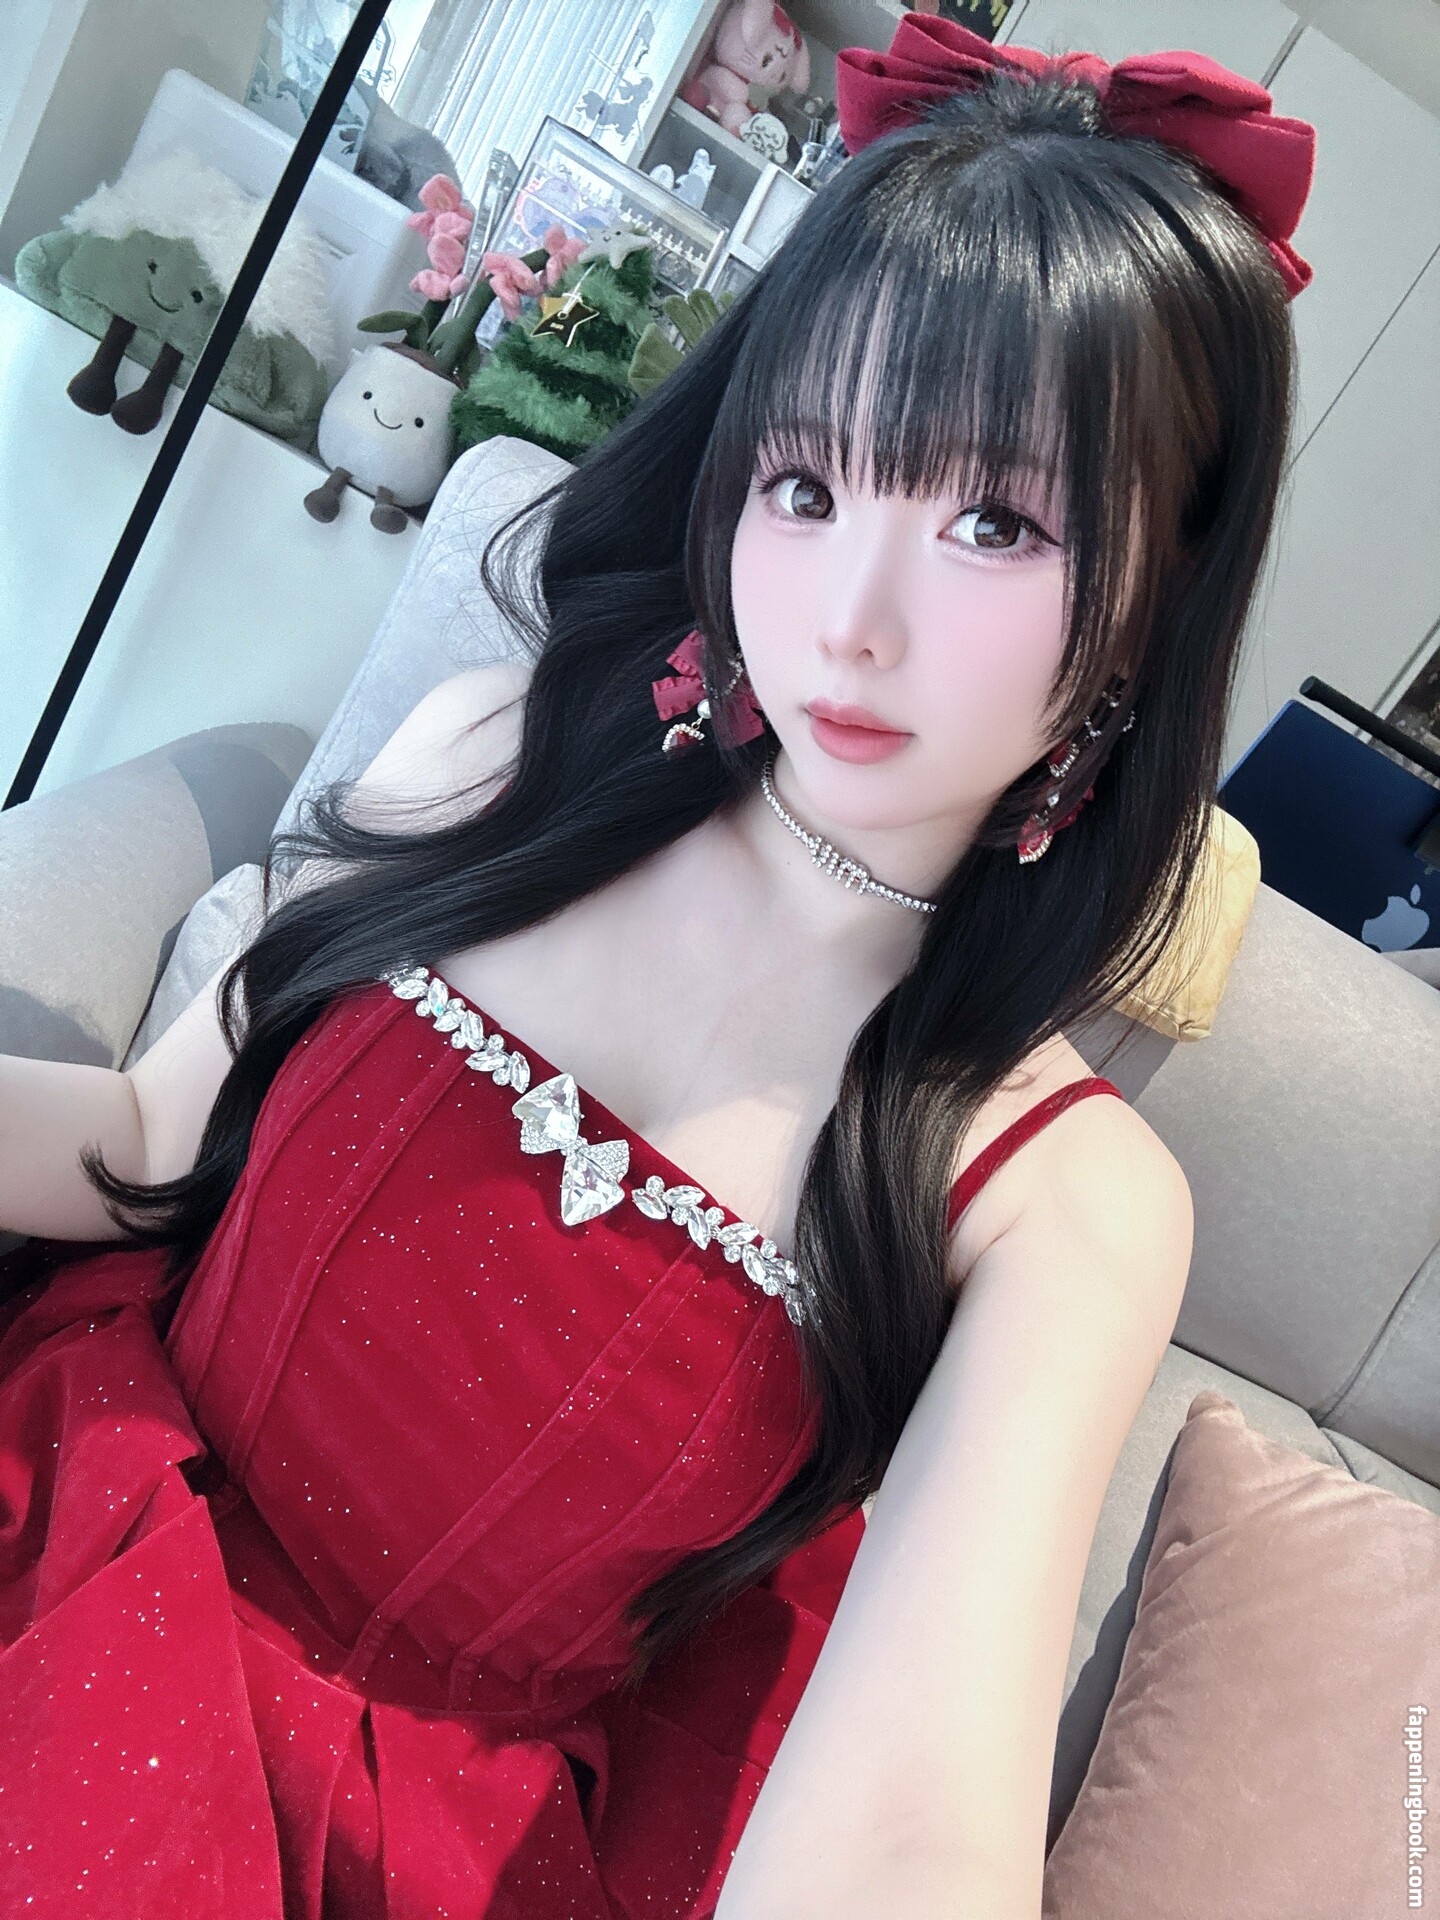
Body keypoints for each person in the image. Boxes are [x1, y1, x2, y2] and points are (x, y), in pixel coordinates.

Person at [0, 18, 1315, 1920]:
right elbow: (144, 1133)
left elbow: (909, 1833)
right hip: (73, 1500)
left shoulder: (1059, 1197)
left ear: (1150, 601)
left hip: (350, 1843)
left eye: (994, 521)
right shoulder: (492, 750)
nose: (848, 620)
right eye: (807, 483)